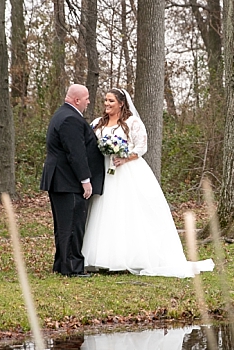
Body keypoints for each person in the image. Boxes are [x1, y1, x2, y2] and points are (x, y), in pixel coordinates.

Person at [81, 88, 213, 277]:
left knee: (127, 212)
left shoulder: (132, 122)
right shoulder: (97, 123)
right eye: (105, 101)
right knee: (105, 212)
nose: (107, 104)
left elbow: (141, 146)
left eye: (111, 101)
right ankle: (101, 259)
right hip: (104, 171)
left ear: (121, 103)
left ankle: (130, 258)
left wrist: (124, 157)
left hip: (127, 171)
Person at [40, 84, 105, 277]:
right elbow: (76, 153)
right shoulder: (70, 119)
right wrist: (85, 180)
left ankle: (62, 264)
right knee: (72, 226)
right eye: (86, 98)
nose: (89, 101)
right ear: (77, 100)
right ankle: (72, 267)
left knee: (64, 225)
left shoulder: (63, 114)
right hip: (68, 181)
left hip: (61, 180)